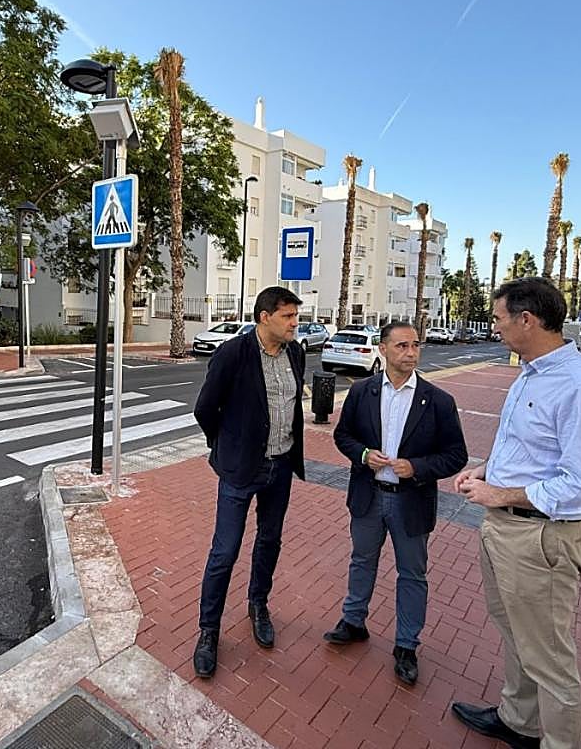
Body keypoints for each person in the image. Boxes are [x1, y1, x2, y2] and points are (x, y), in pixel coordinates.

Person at [451, 277, 581, 749]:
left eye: (498, 318)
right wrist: (488, 471)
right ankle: (519, 720)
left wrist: (501, 494)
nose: (495, 327)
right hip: (507, 531)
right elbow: (532, 449)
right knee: (515, 633)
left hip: (541, 541)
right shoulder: (532, 372)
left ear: (527, 319)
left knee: (549, 656)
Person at [326, 321, 468, 684]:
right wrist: (362, 456)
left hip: (411, 502)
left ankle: (406, 645)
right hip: (368, 498)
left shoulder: (438, 401)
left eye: (415, 345)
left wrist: (417, 467)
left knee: (412, 574)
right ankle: (354, 621)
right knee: (361, 561)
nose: (410, 352)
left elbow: (456, 456)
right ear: (383, 349)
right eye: (402, 346)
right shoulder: (363, 392)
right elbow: (343, 435)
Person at [191, 285, 306, 678]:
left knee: (270, 541)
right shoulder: (233, 354)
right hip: (241, 470)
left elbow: (291, 408)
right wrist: (226, 446)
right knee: (225, 551)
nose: (295, 323)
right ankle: (209, 630)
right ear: (265, 317)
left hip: (280, 467)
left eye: (296, 316)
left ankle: (258, 604)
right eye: (288, 317)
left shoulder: (297, 352)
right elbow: (205, 408)